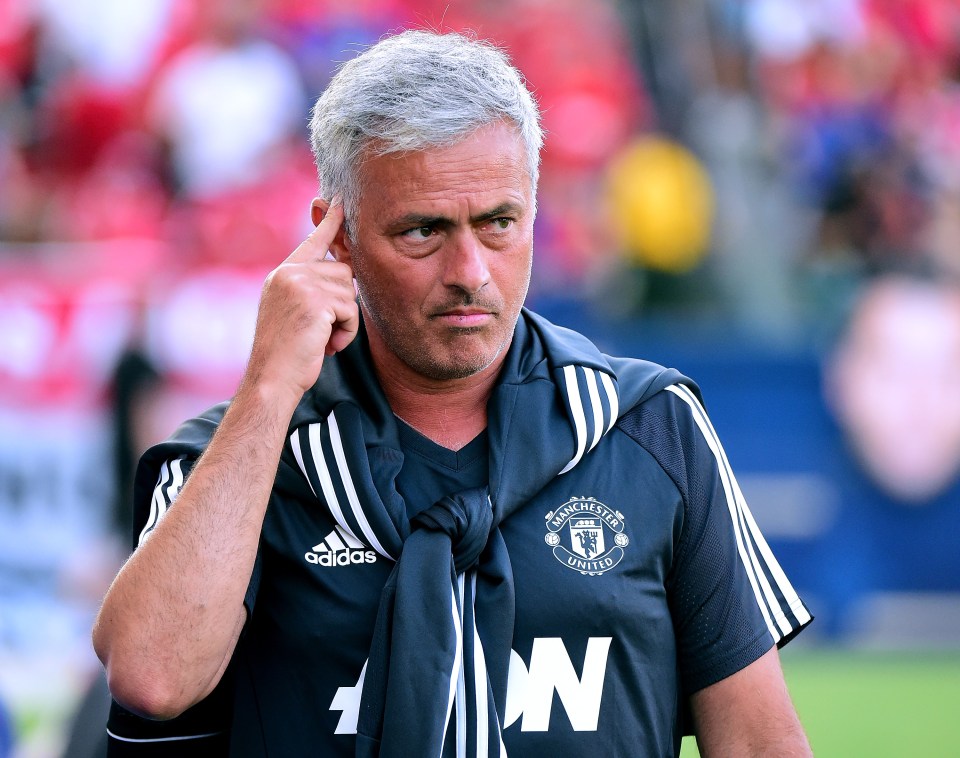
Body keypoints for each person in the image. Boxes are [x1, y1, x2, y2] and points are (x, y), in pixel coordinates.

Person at [92, 30, 813, 757]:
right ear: (334, 240)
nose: (469, 269)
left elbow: (758, 744)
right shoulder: (238, 458)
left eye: (499, 223)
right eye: (423, 231)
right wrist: (268, 389)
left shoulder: (650, 428)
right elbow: (151, 679)